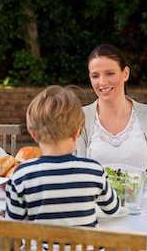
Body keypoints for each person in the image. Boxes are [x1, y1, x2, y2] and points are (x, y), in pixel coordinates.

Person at [6, 85, 120, 227]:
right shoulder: (94, 170)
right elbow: (113, 209)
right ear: (77, 132)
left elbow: (13, 224)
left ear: (34, 134)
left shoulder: (22, 174)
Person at [76, 44, 147, 186]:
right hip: (96, 204)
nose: (102, 82)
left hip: (143, 204)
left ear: (125, 73)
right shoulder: (79, 117)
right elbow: (79, 174)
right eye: (95, 76)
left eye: (110, 73)